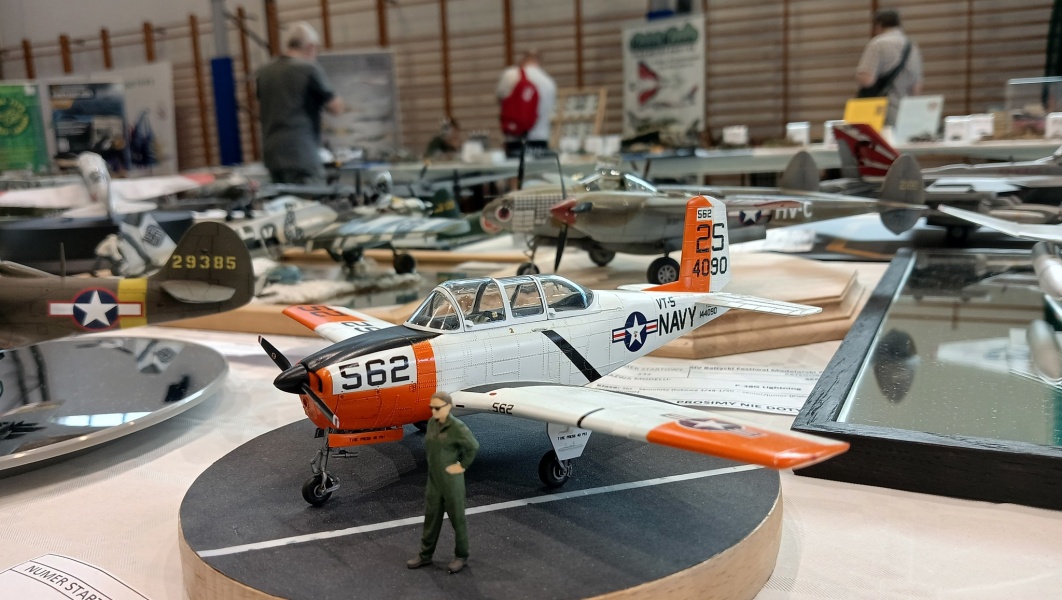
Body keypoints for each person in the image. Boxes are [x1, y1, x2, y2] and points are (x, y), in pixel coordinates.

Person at [256, 21, 345, 184]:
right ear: (310, 47)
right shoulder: (308, 69)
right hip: (301, 155)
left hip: (272, 155)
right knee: (312, 198)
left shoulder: (265, 72)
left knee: (282, 199)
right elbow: (336, 107)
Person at [407, 391, 480, 574]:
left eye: (438, 408)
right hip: (434, 479)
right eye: (432, 407)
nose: (434, 411)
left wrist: (462, 466)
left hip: (451, 481)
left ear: (448, 407)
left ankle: (461, 556)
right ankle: (425, 555)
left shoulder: (457, 427)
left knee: (457, 519)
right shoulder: (432, 423)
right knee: (431, 518)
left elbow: (473, 446)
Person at [856, 9, 923, 127]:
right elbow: (916, 88)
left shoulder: (877, 44)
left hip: (881, 110)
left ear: (878, 25)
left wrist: (859, 75)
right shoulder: (912, 46)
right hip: (905, 111)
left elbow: (867, 80)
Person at [496, 50, 557, 157]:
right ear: (539, 61)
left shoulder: (511, 75)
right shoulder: (549, 82)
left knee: (516, 167)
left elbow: (500, 99)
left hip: (515, 138)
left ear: (523, 59)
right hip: (540, 138)